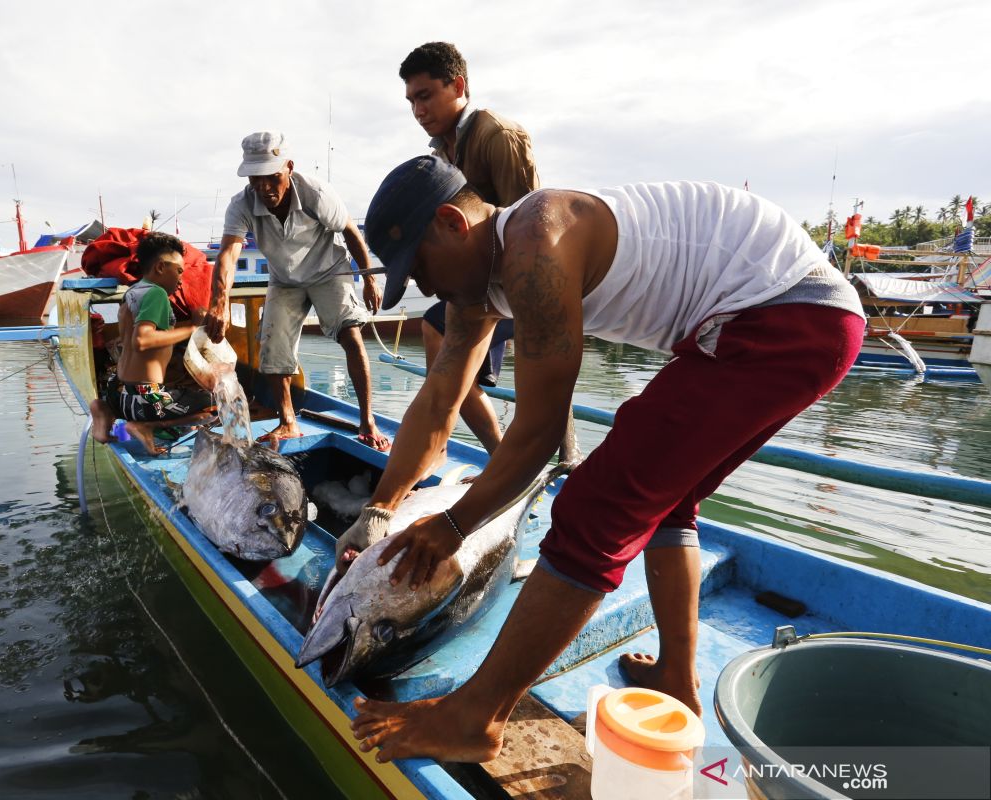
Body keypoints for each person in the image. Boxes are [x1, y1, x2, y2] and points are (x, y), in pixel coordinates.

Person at [344, 156, 865, 763]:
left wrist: (456, 523)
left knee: (596, 507)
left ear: (452, 222)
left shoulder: (535, 242)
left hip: (786, 313)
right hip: (782, 320)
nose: (427, 290)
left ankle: (476, 716)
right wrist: (382, 506)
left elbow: (539, 433)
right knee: (669, 497)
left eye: (422, 268)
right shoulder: (477, 286)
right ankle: (676, 678)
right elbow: (439, 401)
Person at [204, 131, 390, 450]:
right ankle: (287, 420)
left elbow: (349, 232)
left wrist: (369, 277)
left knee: (351, 334)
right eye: (255, 178)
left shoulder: (316, 192)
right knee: (272, 344)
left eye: (271, 176)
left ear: (289, 167)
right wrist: (219, 304)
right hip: (285, 278)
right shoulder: (242, 204)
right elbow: (228, 256)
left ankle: (367, 419)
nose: (263, 186)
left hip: (329, 270)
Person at [400, 41, 537, 455]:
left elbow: (527, 228)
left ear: (458, 85)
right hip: (479, 283)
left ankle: (509, 458)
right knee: (434, 331)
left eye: (425, 96)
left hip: (517, 282)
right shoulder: (443, 149)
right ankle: (493, 453)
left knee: (444, 344)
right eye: (411, 101)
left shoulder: (498, 136)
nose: (418, 110)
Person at [90, 232, 212, 455]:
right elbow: (142, 339)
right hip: (144, 400)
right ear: (160, 267)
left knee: (179, 393)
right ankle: (147, 426)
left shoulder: (133, 292)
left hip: (118, 394)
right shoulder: (157, 294)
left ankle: (104, 409)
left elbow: (138, 337)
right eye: (178, 271)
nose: (181, 279)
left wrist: (187, 326)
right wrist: (192, 329)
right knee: (215, 402)